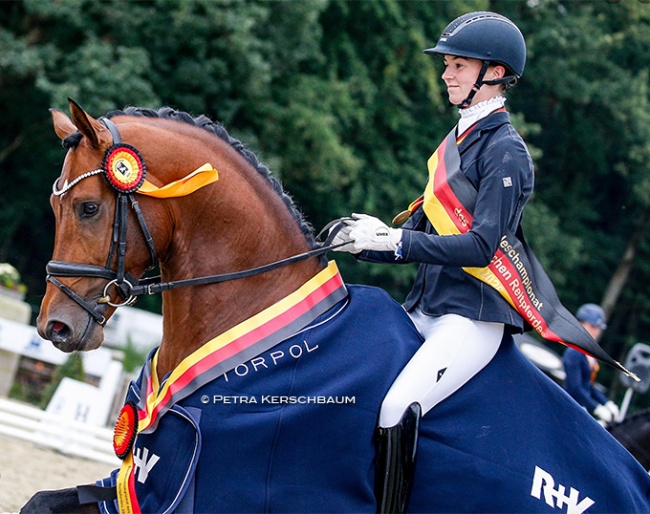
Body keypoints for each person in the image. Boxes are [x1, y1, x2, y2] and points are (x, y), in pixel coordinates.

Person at [333, 11, 533, 512]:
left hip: (470, 317)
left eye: (458, 65)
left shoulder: (507, 151)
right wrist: (369, 238)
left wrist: (394, 242)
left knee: (399, 406)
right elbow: (422, 233)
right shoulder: (456, 143)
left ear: (495, 72)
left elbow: (480, 247)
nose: (447, 74)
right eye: (448, 64)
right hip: (425, 305)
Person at [562, 303, 620, 425]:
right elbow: (575, 387)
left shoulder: (589, 353)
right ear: (581, 324)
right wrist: (596, 407)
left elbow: (588, 386)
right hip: (570, 407)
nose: (596, 331)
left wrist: (606, 403)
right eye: (592, 326)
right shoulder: (574, 352)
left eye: (598, 328)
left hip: (583, 407)